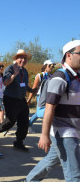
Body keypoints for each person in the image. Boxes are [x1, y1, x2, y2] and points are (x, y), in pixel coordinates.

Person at [26, 40, 80, 182]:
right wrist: (44, 135)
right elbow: (49, 107)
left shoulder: (76, 76)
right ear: (69, 55)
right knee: (74, 175)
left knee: (52, 160)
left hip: (72, 130)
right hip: (64, 131)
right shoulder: (60, 78)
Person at [0, 49, 36, 151]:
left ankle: (18, 142)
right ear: (16, 59)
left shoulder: (24, 71)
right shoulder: (10, 68)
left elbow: (24, 85)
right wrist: (14, 75)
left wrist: (31, 90)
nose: (23, 60)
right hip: (10, 99)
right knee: (10, 122)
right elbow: (5, 83)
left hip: (21, 100)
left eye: (25, 58)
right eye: (21, 57)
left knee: (24, 121)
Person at [27, 59, 54, 133]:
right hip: (40, 96)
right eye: (50, 65)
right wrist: (29, 99)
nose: (51, 67)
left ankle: (28, 124)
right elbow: (34, 88)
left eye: (52, 66)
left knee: (39, 112)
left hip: (48, 96)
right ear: (45, 66)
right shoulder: (40, 75)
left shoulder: (51, 76)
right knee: (40, 113)